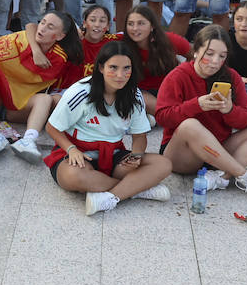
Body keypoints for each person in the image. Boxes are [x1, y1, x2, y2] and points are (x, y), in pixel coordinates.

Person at [155, 25, 247, 200]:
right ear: (195, 51)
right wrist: (196, 105)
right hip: (183, 154)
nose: (215, 61)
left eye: (222, 56)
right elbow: (162, 117)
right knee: (190, 125)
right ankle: (246, 176)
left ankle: (221, 177)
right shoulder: (177, 76)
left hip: (218, 149)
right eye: (209, 54)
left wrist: (229, 110)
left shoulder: (232, 77)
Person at [45, 40, 174, 216]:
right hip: (79, 152)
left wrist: (136, 156)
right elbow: (52, 127)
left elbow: (139, 137)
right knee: (72, 176)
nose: (120, 75)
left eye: (126, 68)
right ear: (101, 68)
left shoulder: (134, 95)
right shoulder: (81, 92)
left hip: (113, 154)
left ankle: (110, 195)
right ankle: (136, 189)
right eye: (113, 67)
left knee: (163, 164)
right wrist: (71, 149)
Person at [0, 10, 81, 161]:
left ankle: (28, 141)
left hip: (16, 107)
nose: (42, 28)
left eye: (50, 27)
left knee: (45, 99)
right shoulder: (20, 40)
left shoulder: (58, 57)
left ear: (61, 36)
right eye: (42, 22)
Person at [118, 4, 189, 115]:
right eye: (130, 24)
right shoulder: (122, 44)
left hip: (170, 89)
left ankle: (156, 116)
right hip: (142, 93)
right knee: (136, 95)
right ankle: (167, 115)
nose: (135, 28)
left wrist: (185, 74)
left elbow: (196, 56)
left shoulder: (169, 40)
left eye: (141, 23)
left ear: (152, 26)